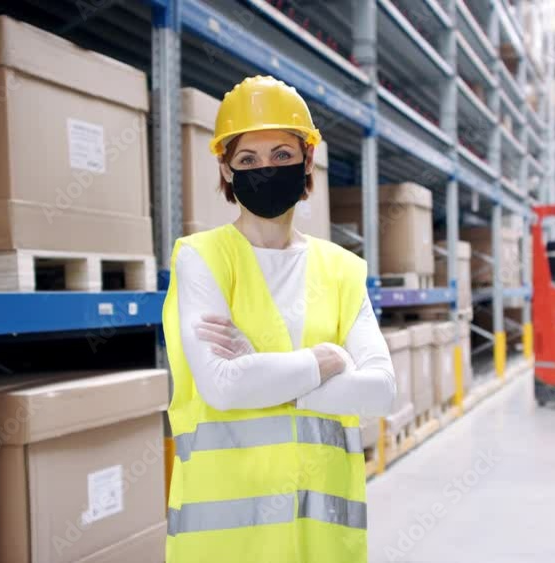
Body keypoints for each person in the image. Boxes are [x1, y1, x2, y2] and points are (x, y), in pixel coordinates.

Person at [162, 75, 397, 563]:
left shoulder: (342, 270)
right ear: (226, 170)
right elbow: (223, 386)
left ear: (307, 161)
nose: (265, 169)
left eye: (281, 156)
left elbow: (380, 392)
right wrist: (325, 359)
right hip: (227, 545)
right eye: (247, 159)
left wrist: (268, 374)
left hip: (322, 541)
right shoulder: (201, 259)